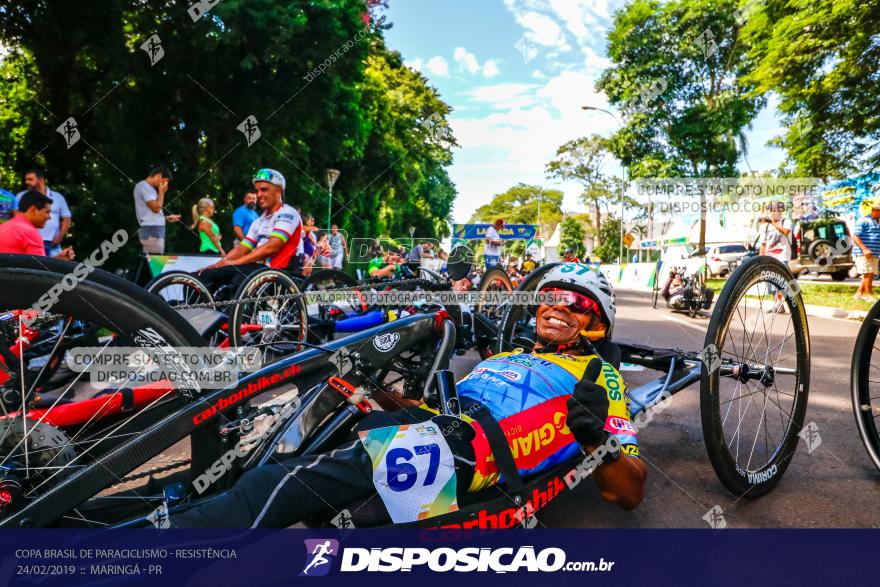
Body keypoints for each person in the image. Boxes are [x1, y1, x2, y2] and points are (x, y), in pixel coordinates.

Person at [170, 264, 645, 527]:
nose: (560, 309)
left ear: (597, 322)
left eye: (578, 304)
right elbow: (433, 411)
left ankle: (161, 544)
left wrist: (595, 438)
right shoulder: (501, 359)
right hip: (433, 432)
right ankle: (168, 500)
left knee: (282, 483)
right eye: (552, 297)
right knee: (296, 444)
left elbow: (627, 491)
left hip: (467, 453)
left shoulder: (598, 375)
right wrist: (382, 394)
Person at [197, 169, 302, 297]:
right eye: (257, 190)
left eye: (264, 190)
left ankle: (232, 315)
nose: (259, 194)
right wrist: (218, 264)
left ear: (278, 191)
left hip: (276, 271)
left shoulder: (288, 213)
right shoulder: (259, 220)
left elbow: (272, 247)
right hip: (257, 269)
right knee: (204, 275)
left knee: (237, 281)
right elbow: (242, 247)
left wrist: (237, 262)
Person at [0, 190, 75, 259]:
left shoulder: (4, 227)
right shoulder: (29, 233)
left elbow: (37, 263)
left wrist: (59, 257)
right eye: (47, 212)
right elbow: (41, 269)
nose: (49, 217)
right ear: (33, 210)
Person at [14, 169, 72, 256]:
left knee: (54, 268)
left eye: (30, 179)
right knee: (32, 268)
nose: (26, 182)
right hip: (29, 242)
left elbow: (66, 219)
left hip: (53, 244)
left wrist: (59, 238)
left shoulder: (58, 197)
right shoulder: (21, 196)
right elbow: (17, 218)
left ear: (40, 180)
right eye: (26, 179)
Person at [133, 166, 181, 255]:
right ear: (158, 176)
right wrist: (161, 193)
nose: (165, 185)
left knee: (153, 262)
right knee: (154, 262)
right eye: (164, 181)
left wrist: (166, 218)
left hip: (154, 229)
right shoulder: (144, 186)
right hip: (151, 229)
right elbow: (156, 208)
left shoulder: (150, 189)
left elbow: (151, 212)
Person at [758, 201, 793, 312]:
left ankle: (782, 303)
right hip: (770, 256)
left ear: (781, 211)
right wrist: (760, 260)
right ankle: (778, 304)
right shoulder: (766, 226)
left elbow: (785, 231)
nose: (772, 212)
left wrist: (772, 222)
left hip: (782, 256)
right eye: (771, 210)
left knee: (780, 282)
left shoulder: (786, 221)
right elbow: (763, 244)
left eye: (775, 209)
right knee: (770, 283)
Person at [853, 202, 880, 302]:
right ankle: (869, 295)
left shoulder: (878, 221)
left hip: (875, 252)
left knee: (870, 273)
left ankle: (859, 294)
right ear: (875, 210)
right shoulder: (864, 220)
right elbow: (855, 236)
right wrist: (864, 249)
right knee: (868, 273)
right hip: (864, 252)